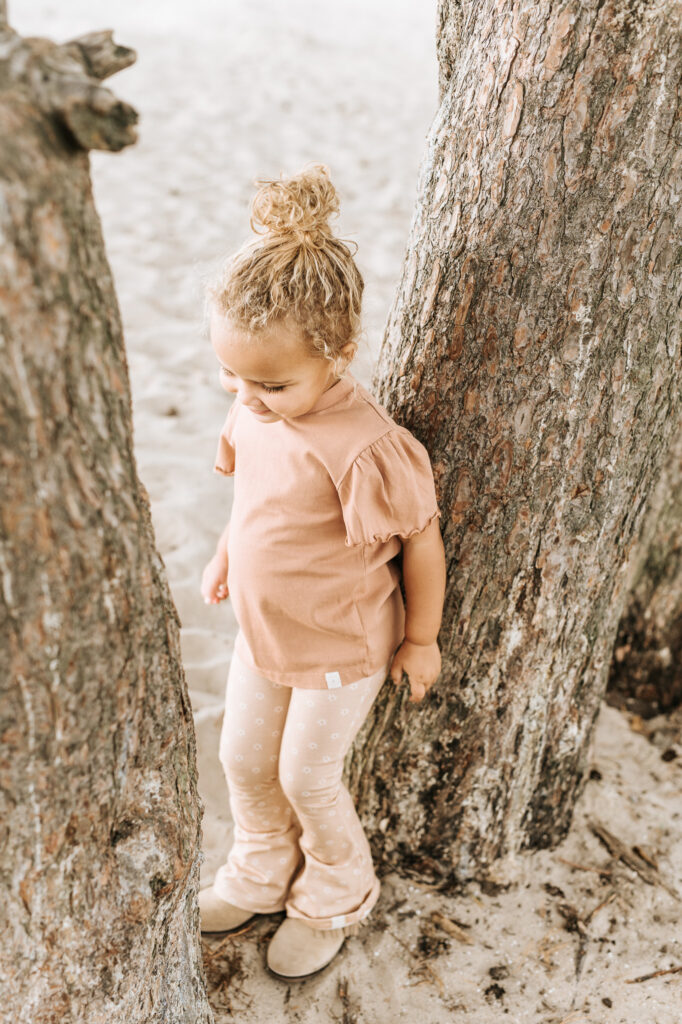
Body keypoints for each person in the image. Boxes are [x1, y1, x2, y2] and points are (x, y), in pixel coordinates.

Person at [199, 163, 446, 980]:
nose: (249, 397)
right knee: (242, 760)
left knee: (309, 777)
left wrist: (421, 638)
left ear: (338, 354)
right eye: (233, 375)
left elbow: (421, 543)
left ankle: (335, 892)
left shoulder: (365, 445)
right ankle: (260, 868)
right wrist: (226, 552)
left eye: (270, 382)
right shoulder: (257, 403)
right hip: (261, 632)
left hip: (340, 645)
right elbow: (255, 499)